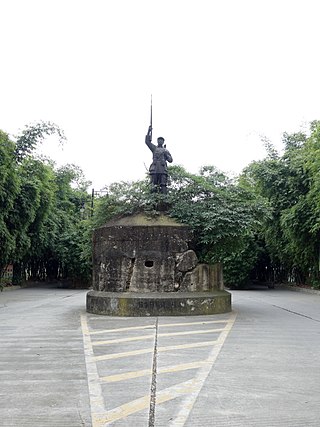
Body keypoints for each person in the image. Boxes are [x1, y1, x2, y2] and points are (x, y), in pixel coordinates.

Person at [145, 125, 173, 193]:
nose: (160, 141)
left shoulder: (165, 150)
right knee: (153, 184)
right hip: (154, 168)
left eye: (161, 140)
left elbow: (171, 160)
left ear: (163, 142)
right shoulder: (154, 148)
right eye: (159, 140)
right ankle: (153, 198)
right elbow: (147, 142)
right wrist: (149, 131)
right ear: (157, 141)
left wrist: (166, 156)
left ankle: (164, 199)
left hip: (162, 168)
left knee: (163, 184)